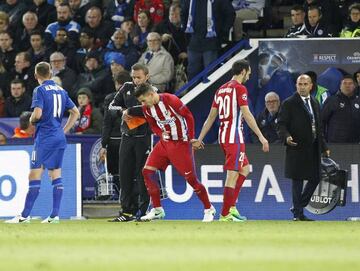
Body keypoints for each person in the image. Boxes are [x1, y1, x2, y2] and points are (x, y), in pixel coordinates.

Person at [193, 59, 269, 222]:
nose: (249, 75)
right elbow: (247, 115)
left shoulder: (220, 90)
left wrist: (200, 138)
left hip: (224, 136)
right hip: (234, 136)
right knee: (232, 174)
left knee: (245, 168)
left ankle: (231, 207)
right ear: (242, 71)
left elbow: (211, 117)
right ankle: (226, 213)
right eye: (248, 72)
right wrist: (261, 137)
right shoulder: (240, 88)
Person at [5, 61, 79, 224]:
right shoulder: (61, 90)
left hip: (45, 138)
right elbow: (75, 112)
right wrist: (64, 130)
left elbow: (37, 115)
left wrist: (31, 118)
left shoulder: (39, 90)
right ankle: (54, 216)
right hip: (59, 138)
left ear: (36, 75)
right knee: (55, 174)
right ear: (51, 74)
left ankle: (24, 216)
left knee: (34, 175)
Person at [134, 82, 215, 222]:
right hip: (165, 144)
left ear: (151, 94)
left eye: (143, 100)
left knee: (191, 180)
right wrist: (160, 133)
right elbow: (153, 125)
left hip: (181, 144)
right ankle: (157, 209)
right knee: (147, 172)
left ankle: (209, 209)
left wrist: (191, 138)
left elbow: (189, 116)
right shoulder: (146, 109)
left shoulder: (171, 100)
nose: (143, 104)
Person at [277, 74, 329, 221]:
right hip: (296, 146)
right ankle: (298, 214)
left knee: (316, 177)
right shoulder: (289, 103)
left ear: (311, 86)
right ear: (296, 86)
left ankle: (298, 205)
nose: (302, 87)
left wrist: (324, 146)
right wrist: (286, 137)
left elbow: (318, 126)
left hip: (313, 147)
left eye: (305, 84)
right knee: (297, 180)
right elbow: (281, 124)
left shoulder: (314, 102)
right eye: (300, 84)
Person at [107, 63, 152, 222]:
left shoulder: (153, 92)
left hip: (144, 138)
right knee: (125, 173)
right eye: (133, 77)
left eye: (138, 77)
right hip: (126, 137)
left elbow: (150, 110)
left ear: (146, 76)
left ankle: (143, 211)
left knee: (143, 175)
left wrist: (129, 111)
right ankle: (126, 211)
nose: (135, 80)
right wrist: (121, 112)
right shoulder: (126, 87)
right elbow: (111, 106)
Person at [100, 70, 132, 198]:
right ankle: (131, 200)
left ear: (117, 84)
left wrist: (103, 144)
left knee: (116, 172)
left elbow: (107, 123)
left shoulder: (110, 99)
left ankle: (122, 200)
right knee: (131, 171)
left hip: (114, 141)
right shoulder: (135, 97)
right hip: (131, 138)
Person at [321, 75, 360, 143]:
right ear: (340, 86)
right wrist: (323, 140)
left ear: (354, 86)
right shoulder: (332, 100)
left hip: (355, 143)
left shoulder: (358, 101)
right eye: (344, 83)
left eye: (350, 83)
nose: (347, 86)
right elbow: (322, 120)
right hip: (335, 143)